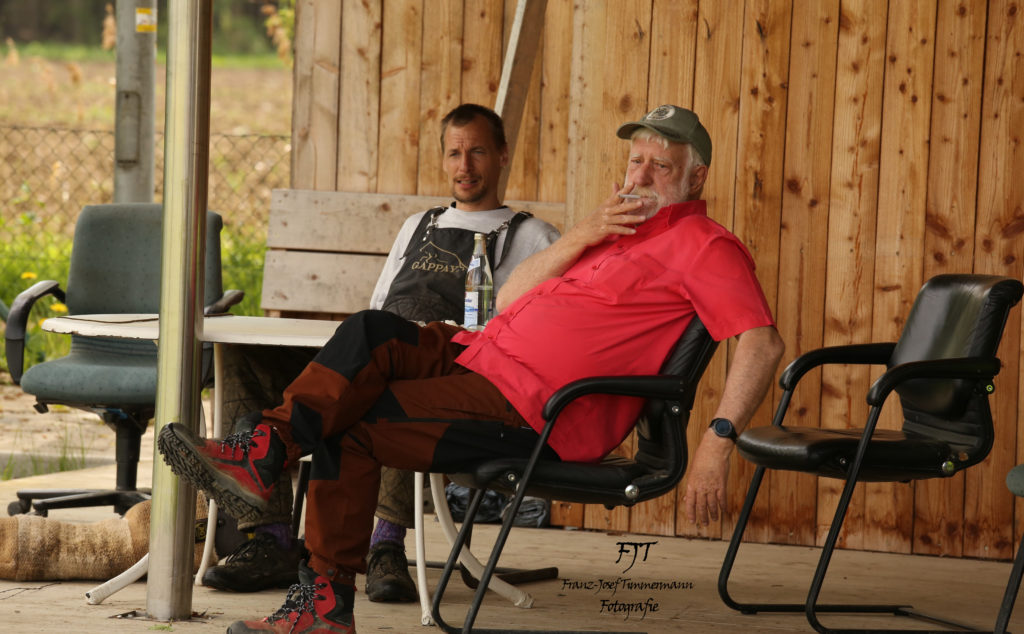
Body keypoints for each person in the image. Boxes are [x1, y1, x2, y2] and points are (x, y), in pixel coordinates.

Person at [158, 104, 785, 634]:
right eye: (635, 160)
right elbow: (509, 299)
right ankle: (263, 451)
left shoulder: (707, 247)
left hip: (534, 406)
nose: (640, 175)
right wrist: (584, 234)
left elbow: (761, 344)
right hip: (478, 354)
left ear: (696, 177)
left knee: (350, 421)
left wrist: (717, 442)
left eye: (660, 166)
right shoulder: (616, 231)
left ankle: (319, 602)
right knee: (370, 329)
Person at [201, 103, 560, 599]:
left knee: (378, 381)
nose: (465, 166)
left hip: (455, 367)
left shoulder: (535, 237)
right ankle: (270, 538)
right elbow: (379, 306)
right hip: (386, 344)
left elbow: (536, 335)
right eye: (454, 153)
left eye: (477, 152)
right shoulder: (417, 225)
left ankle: (386, 542)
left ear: (502, 155)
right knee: (245, 358)